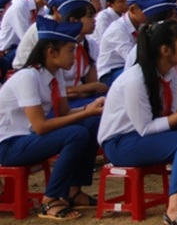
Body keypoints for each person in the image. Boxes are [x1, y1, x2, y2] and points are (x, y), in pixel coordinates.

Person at [99, 20, 177, 225]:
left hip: (141, 134)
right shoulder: (135, 80)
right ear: (165, 50)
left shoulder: (171, 73)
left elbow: (171, 114)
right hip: (121, 142)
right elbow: (146, 128)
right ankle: (174, 209)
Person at [0, 16, 104, 219]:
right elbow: (40, 126)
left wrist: (89, 109)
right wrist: (85, 111)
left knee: (91, 122)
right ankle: (51, 198)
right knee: (76, 134)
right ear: (51, 52)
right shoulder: (28, 77)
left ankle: (73, 190)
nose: (74, 57)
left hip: (26, 139)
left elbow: (64, 112)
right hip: (9, 144)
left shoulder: (55, 75)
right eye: (70, 51)